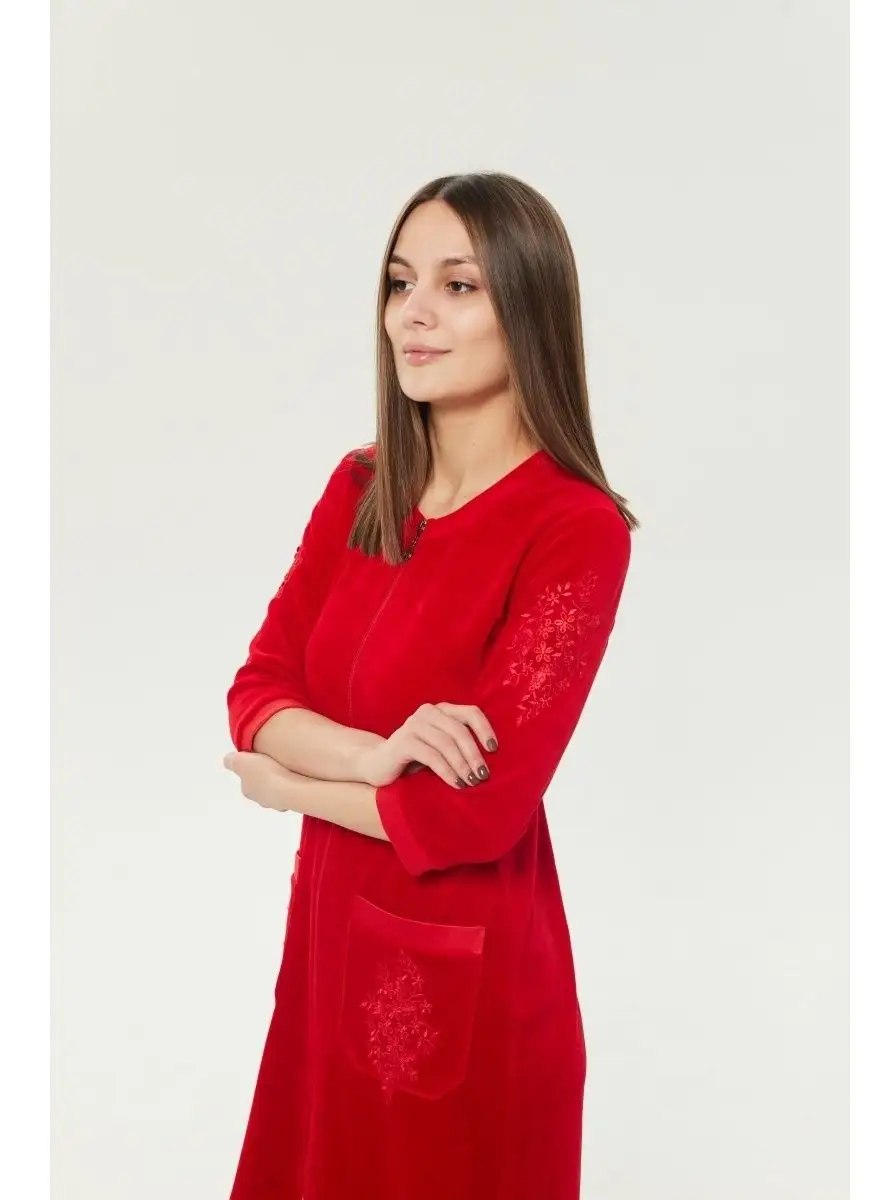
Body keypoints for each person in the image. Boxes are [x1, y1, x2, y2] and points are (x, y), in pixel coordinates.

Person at [222, 171, 638, 1200]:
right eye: (401, 281)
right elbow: (258, 693)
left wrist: (291, 786)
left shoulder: (574, 529)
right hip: (325, 955)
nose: (414, 312)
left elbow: (477, 813)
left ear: (528, 308)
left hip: (465, 982)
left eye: (459, 285)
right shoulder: (363, 488)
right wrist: (374, 758)